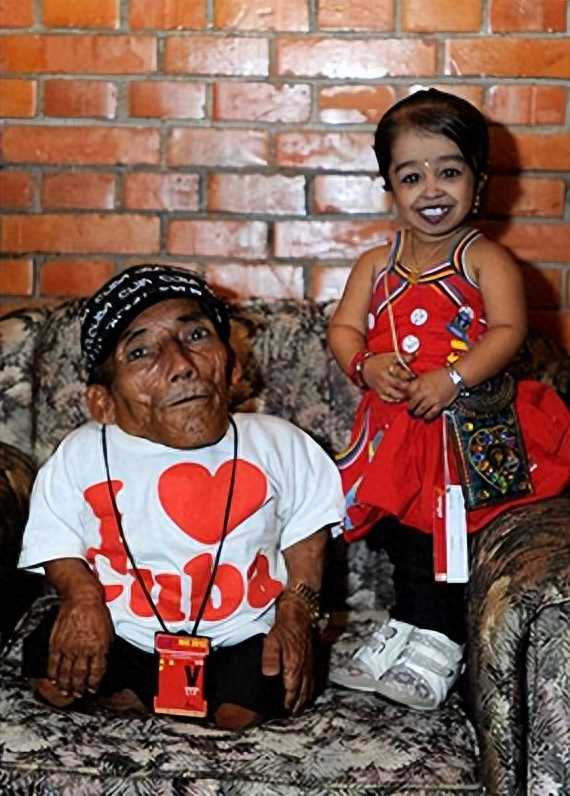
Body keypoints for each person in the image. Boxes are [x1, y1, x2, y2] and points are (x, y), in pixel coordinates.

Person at [18, 264, 345, 730]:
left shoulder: (280, 442)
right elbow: (55, 538)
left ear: (233, 367)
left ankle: (169, 697)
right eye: (140, 352)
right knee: (47, 666)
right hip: (122, 630)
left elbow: (308, 529)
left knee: (254, 697)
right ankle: (143, 686)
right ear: (102, 402)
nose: (181, 365)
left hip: (240, 634)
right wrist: (81, 597)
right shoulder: (82, 452)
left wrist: (298, 611)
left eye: (195, 335)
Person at [327, 88, 570, 710]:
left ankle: (443, 638)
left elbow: (508, 332)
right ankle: (407, 622)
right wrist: (365, 364)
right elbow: (344, 329)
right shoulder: (374, 265)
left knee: (444, 534)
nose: (431, 189)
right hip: (396, 427)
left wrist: (454, 378)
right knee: (399, 535)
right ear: (389, 186)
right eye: (412, 176)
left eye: (450, 172)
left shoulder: (486, 260)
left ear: (479, 182)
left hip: (460, 430)